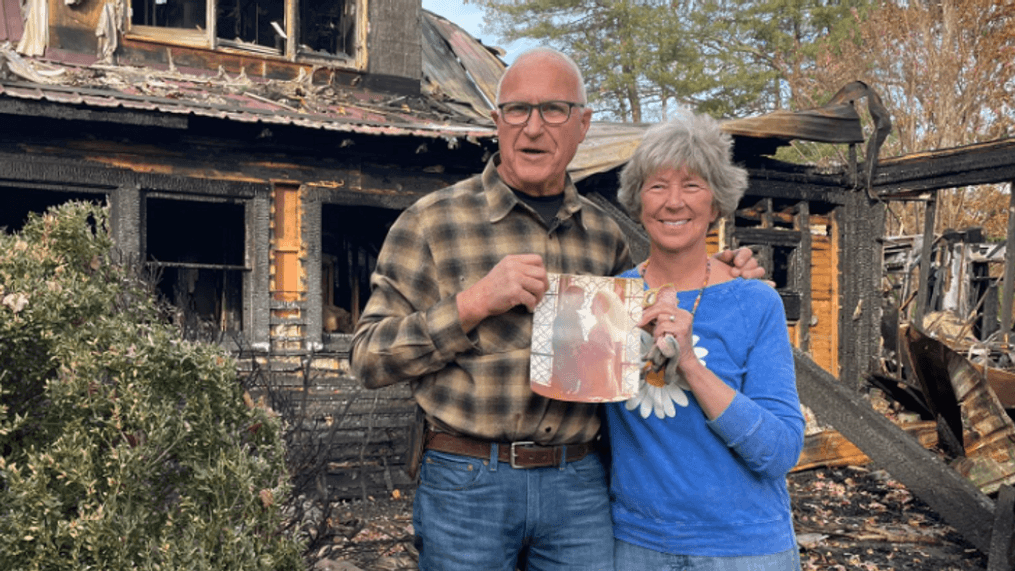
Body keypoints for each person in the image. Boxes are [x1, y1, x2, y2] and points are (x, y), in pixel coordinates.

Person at [351, 47, 762, 571]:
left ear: (583, 124)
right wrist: (472, 304)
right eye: (517, 110)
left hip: (578, 483)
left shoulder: (604, 236)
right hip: (468, 479)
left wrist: (726, 270)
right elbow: (367, 359)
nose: (533, 128)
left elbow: (652, 313)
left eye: (554, 110)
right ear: (497, 122)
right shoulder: (431, 222)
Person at [604, 112, 805, 570]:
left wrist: (692, 366)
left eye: (692, 185)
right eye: (657, 186)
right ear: (637, 202)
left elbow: (780, 452)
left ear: (717, 203)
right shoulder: (612, 300)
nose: (674, 202)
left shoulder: (755, 302)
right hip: (637, 547)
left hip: (746, 549)